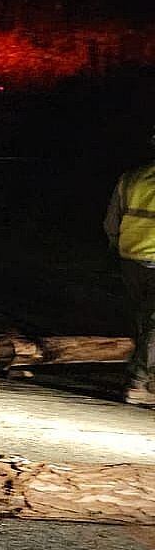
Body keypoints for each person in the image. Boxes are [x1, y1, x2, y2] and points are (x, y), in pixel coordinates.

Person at [103, 145, 155, 407]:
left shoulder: (132, 177)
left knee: (144, 323)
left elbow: (112, 222)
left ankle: (146, 379)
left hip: (131, 259)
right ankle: (138, 384)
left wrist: (118, 248)